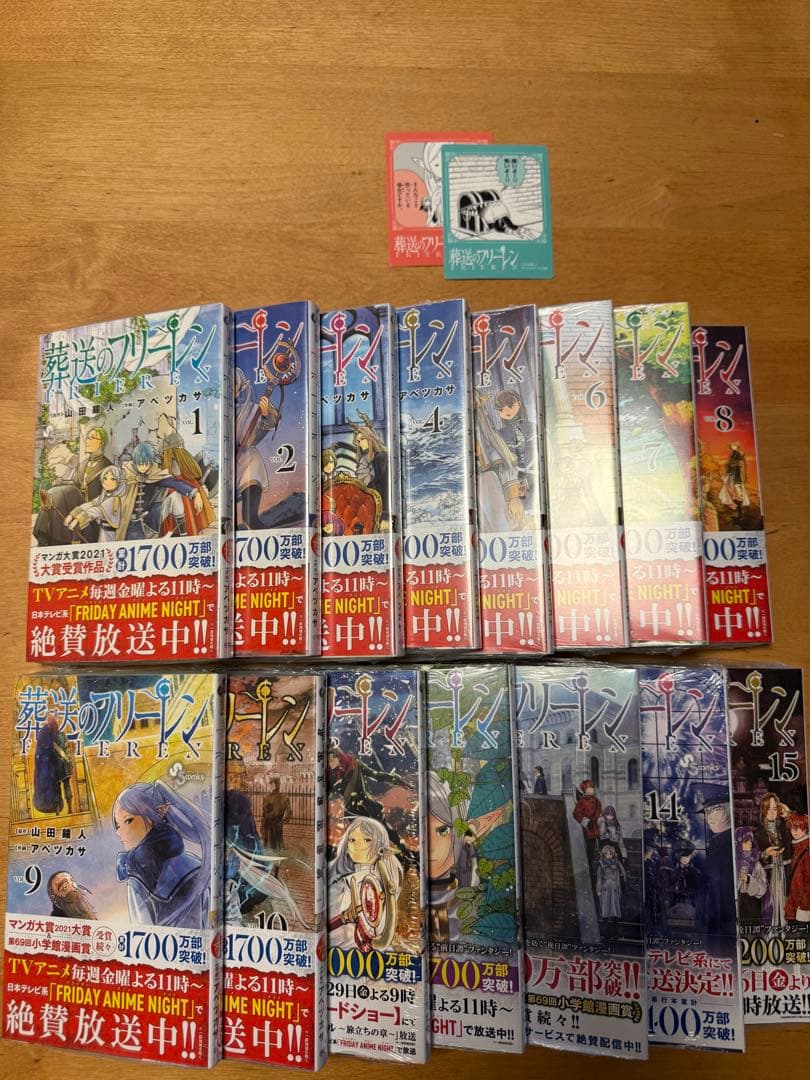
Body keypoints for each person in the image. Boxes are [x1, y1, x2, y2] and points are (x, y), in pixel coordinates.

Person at [113, 780, 210, 928]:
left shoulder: (138, 876)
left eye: (128, 820)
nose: (119, 832)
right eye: (118, 825)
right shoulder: (197, 865)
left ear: (153, 816)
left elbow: (142, 934)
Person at [327, 817, 402, 952]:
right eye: (352, 840)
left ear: (379, 846)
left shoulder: (384, 878)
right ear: (346, 846)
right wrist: (345, 917)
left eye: (367, 840)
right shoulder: (341, 884)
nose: (358, 845)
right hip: (345, 950)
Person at [117, 442, 205, 539]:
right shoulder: (125, 473)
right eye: (140, 463)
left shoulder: (154, 474)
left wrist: (195, 494)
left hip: (149, 521)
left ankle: (183, 535)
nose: (144, 467)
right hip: (129, 524)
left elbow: (174, 483)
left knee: (175, 496)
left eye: (147, 463)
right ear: (135, 462)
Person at [699, 798, 737, 942]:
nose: (709, 817)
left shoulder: (728, 841)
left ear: (728, 810)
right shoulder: (716, 842)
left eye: (716, 810)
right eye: (707, 811)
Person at [755, 791, 792, 930]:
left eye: (775, 808)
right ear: (763, 810)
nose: (771, 812)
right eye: (768, 809)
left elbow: (797, 835)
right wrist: (766, 853)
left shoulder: (785, 828)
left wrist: (788, 814)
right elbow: (753, 857)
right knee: (769, 909)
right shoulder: (758, 834)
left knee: (786, 907)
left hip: (785, 874)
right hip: (768, 877)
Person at [63, 465, 127, 542]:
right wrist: (72, 514)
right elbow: (90, 504)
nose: (107, 482)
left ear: (119, 482)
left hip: (108, 535)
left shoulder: (113, 499)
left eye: (113, 479)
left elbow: (95, 511)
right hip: (102, 531)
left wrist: (78, 519)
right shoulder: (104, 496)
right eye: (105, 478)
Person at [33, 714, 73, 814]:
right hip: (63, 764)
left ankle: (58, 810)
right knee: (66, 785)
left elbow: (58, 749)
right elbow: (66, 749)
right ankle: (69, 809)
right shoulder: (62, 735)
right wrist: (68, 759)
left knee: (57, 788)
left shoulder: (52, 737)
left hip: (56, 765)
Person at [735, 827, 768, 925]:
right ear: (739, 843)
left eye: (750, 841)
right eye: (746, 841)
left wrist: (749, 880)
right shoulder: (733, 862)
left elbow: (763, 887)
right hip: (737, 902)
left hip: (752, 903)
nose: (749, 843)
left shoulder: (755, 863)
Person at [572, 778, 602, 879]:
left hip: (598, 829)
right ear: (586, 790)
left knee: (602, 850)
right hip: (588, 830)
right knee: (589, 852)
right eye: (590, 787)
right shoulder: (581, 802)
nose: (592, 789)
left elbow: (600, 813)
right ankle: (589, 872)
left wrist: (601, 822)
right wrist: (586, 822)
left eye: (592, 787)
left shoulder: (597, 801)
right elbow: (576, 813)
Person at [784, 812, 810, 924]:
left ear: (805, 828)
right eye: (792, 827)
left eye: (799, 827)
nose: (795, 831)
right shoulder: (797, 848)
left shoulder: (806, 850)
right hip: (796, 904)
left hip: (803, 907)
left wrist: (804, 906)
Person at [596, 842, 625, 939]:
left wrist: (619, 889)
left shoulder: (616, 864)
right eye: (606, 853)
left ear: (613, 854)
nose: (608, 855)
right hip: (605, 890)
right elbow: (599, 878)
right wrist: (599, 889)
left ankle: (615, 933)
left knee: (614, 911)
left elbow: (619, 878)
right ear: (603, 854)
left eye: (610, 853)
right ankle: (606, 933)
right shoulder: (601, 865)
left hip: (614, 889)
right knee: (605, 911)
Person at [262, 778, 291, 851]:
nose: (269, 786)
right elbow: (289, 811)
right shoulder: (284, 797)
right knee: (276, 832)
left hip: (270, 820)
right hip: (278, 821)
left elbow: (264, 811)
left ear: (274, 785)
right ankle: (277, 846)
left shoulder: (267, 797)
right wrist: (284, 820)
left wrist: (263, 822)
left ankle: (271, 846)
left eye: (271, 784)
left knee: (270, 832)